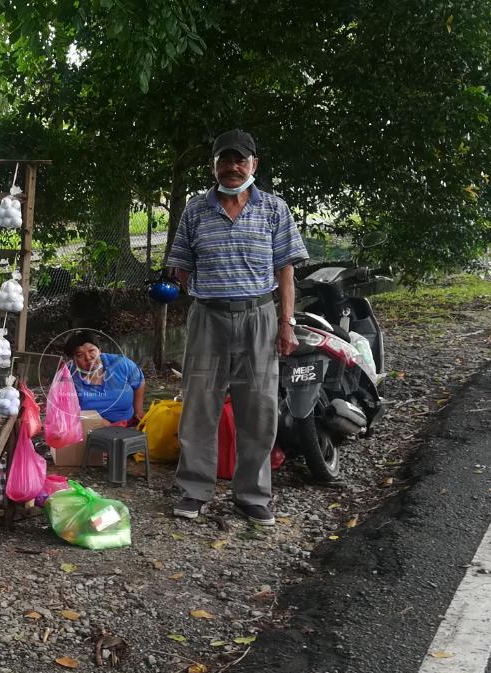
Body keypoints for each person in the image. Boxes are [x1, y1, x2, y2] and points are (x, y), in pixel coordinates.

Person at [164, 128, 309, 526]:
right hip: (207, 316)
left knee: (258, 407)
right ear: (214, 166)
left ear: (253, 165)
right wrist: (168, 284)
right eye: (224, 160)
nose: (232, 167)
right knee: (199, 406)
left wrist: (286, 323)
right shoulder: (195, 210)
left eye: (239, 160)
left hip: (259, 317)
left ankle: (252, 495)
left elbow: (286, 271)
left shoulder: (274, 209)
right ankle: (194, 490)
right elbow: (181, 267)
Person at [62, 331, 145, 426]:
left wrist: (139, 410)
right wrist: (102, 423)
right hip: (90, 430)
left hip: (128, 425)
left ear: (100, 350)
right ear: (72, 359)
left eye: (91, 350)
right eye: (80, 355)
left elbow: (139, 381)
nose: (88, 357)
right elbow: (66, 413)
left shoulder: (121, 364)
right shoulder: (67, 377)